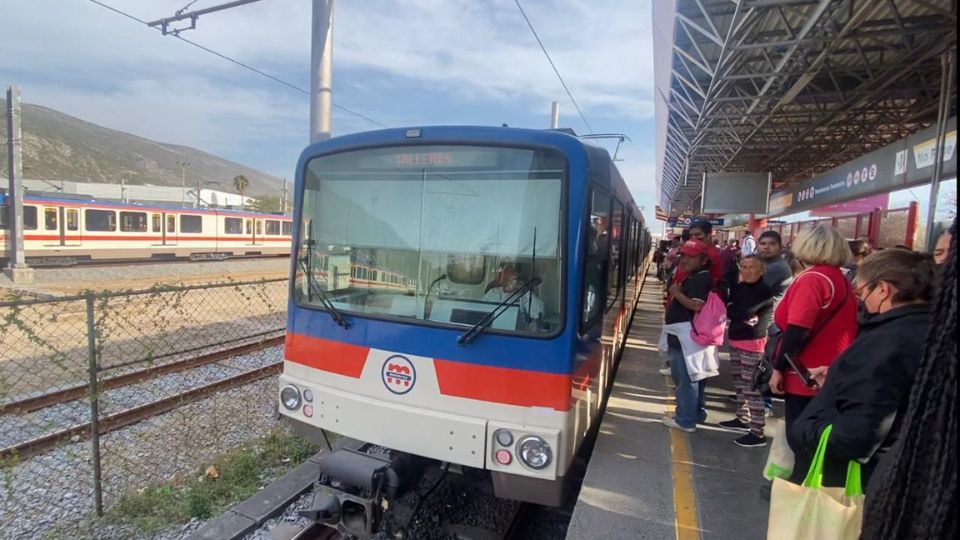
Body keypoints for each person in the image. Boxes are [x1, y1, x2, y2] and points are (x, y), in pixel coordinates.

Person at [789, 248, 935, 490]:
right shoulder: (930, 329)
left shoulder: (886, 341)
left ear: (883, 289)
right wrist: (840, 378)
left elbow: (856, 435)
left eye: (862, 291)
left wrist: (806, 429)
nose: (861, 301)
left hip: (863, 480)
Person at [861, 219, 956, 540]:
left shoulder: (897, 336)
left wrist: (814, 433)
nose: (938, 264)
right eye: (938, 253)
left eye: (946, 255)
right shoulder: (930, 332)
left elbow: (869, 416)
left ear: (884, 288)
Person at [768, 224, 858, 485]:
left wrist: (777, 367)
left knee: (801, 435)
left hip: (805, 373)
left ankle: (800, 489)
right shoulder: (838, 278)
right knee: (812, 435)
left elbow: (797, 330)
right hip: (829, 370)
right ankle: (805, 483)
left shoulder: (812, 279)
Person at [659, 239, 717, 432]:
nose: (685, 259)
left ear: (703, 260)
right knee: (695, 378)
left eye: (691, 256)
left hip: (688, 339)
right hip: (688, 337)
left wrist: (676, 293)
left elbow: (696, 305)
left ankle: (685, 420)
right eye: (683, 255)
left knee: (686, 380)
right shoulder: (696, 276)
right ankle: (695, 413)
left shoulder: (700, 279)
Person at [719, 255, 774, 447]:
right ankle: (742, 418)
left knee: (751, 388)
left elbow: (739, 311)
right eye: (744, 267)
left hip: (752, 343)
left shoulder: (764, 291)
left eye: (752, 267)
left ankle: (758, 432)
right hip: (736, 339)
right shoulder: (742, 287)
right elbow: (733, 309)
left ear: (761, 271)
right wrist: (735, 310)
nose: (748, 271)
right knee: (740, 383)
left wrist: (735, 310)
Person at [757, 231, 793, 306]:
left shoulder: (776, 267)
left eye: (772, 244)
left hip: (770, 314)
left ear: (780, 247)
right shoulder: (766, 264)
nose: (766, 247)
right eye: (762, 244)